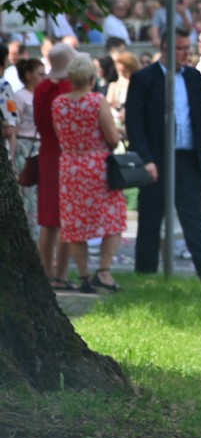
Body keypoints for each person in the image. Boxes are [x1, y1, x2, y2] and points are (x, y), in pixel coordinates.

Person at [126, 35, 201, 283]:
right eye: (179, 49)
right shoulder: (144, 78)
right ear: (165, 48)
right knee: (151, 217)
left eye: (187, 49)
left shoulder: (193, 77)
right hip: (156, 159)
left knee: (192, 217)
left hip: (187, 158)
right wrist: (145, 159)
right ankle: (145, 274)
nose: (185, 53)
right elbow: (134, 124)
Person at [54, 55, 126, 293]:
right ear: (91, 79)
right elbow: (112, 138)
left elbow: (60, 135)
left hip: (70, 167)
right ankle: (103, 272)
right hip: (97, 167)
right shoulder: (96, 101)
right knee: (112, 219)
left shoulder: (59, 103)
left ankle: (84, 276)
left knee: (75, 223)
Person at [33, 45, 73, 289]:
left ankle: (46, 271)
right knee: (66, 219)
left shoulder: (41, 89)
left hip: (46, 155)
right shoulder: (69, 89)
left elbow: (39, 122)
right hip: (66, 155)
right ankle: (61, 274)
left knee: (48, 220)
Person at [11, 59, 44, 248]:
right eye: (40, 74)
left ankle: (39, 242)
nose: (44, 78)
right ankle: (30, 242)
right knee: (29, 197)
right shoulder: (19, 96)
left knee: (39, 198)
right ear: (29, 75)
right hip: (25, 147)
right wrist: (13, 157)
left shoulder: (42, 95)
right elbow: (13, 128)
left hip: (41, 147)